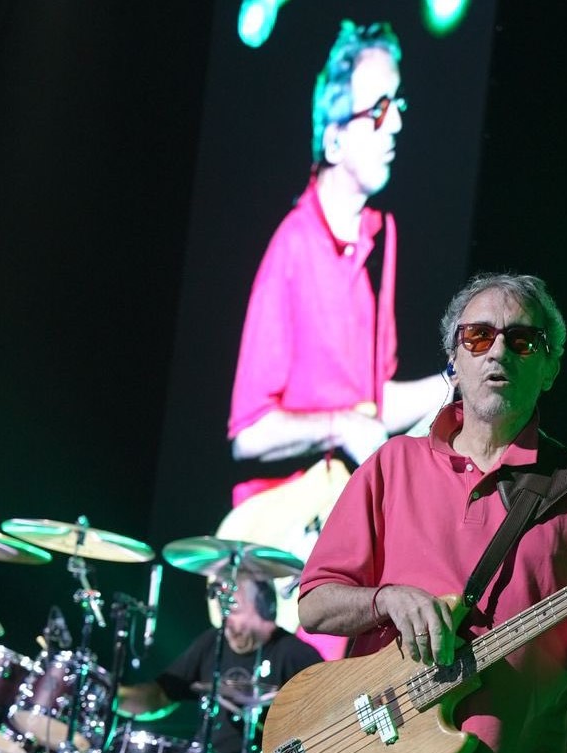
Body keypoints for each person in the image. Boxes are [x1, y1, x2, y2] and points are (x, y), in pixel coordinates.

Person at [297, 273, 567, 752]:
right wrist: (387, 600)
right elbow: (314, 607)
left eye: (523, 340)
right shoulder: (391, 465)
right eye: (479, 336)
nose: (498, 351)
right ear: (454, 360)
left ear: (550, 370)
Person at [222, 19, 451, 658]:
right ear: (332, 137)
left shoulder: (382, 235)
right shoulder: (293, 248)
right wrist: (339, 427)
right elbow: (248, 432)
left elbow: (371, 402)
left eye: (398, 104)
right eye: (377, 110)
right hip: (278, 547)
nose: (395, 124)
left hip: (342, 533)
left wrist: (456, 380)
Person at [116, 577, 322, 753]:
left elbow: (326, 720)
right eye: (223, 611)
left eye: (234, 609)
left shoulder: (296, 653)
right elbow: (160, 695)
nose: (226, 621)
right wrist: (114, 697)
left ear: (264, 609)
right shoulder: (214, 642)